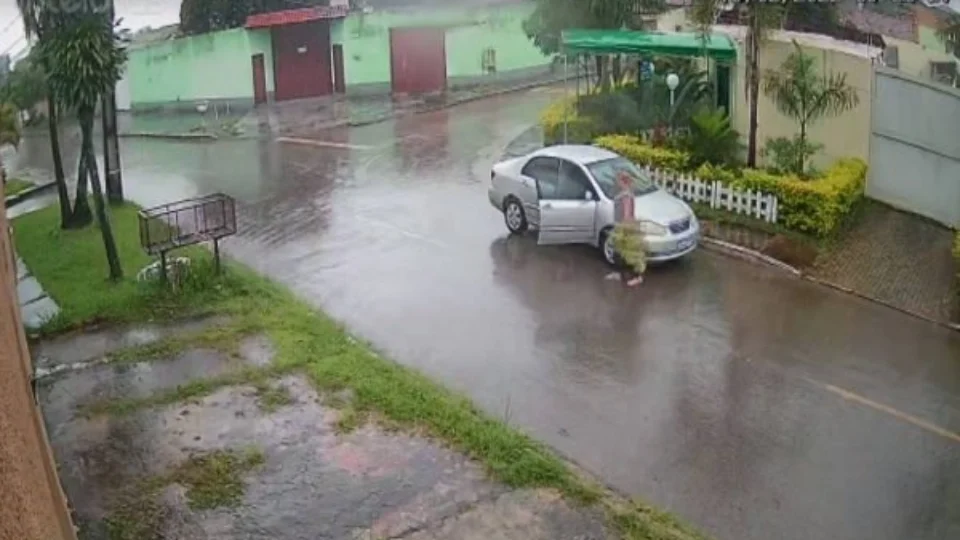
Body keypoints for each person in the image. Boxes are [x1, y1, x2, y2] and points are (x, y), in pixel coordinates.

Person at [611, 171, 646, 287]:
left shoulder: (626, 195)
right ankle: (619, 273)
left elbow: (627, 213)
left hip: (625, 226)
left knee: (630, 253)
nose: (617, 183)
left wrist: (624, 228)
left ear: (623, 181)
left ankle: (637, 277)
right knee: (619, 252)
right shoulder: (624, 193)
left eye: (618, 180)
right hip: (620, 225)